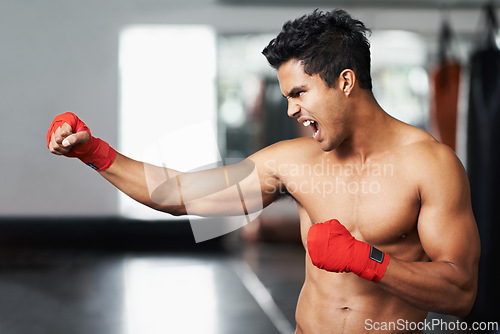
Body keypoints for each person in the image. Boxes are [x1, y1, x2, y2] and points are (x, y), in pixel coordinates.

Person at [47, 9, 480, 334]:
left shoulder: (431, 164)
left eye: (299, 93)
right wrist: (96, 152)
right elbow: (180, 193)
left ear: (346, 82)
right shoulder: (292, 161)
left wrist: (367, 260)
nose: (291, 109)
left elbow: (460, 293)